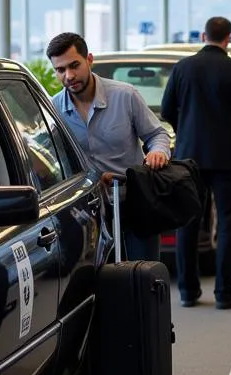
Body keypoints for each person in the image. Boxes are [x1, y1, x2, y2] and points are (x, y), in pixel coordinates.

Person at [160, 16, 231, 309]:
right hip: (229, 158)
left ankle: (188, 292)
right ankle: (224, 292)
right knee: (229, 224)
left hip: (190, 156)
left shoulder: (183, 68)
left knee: (188, 223)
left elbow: (167, 109)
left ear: (204, 35)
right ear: (228, 38)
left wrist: (187, 132)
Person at [46, 32, 171, 261]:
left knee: (143, 275)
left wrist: (157, 151)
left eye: (74, 65)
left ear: (89, 60)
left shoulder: (125, 95)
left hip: (133, 201)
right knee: (97, 285)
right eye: (60, 70)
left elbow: (157, 134)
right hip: (89, 211)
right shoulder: (54, 109)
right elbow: (51, 157)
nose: (69, 76)